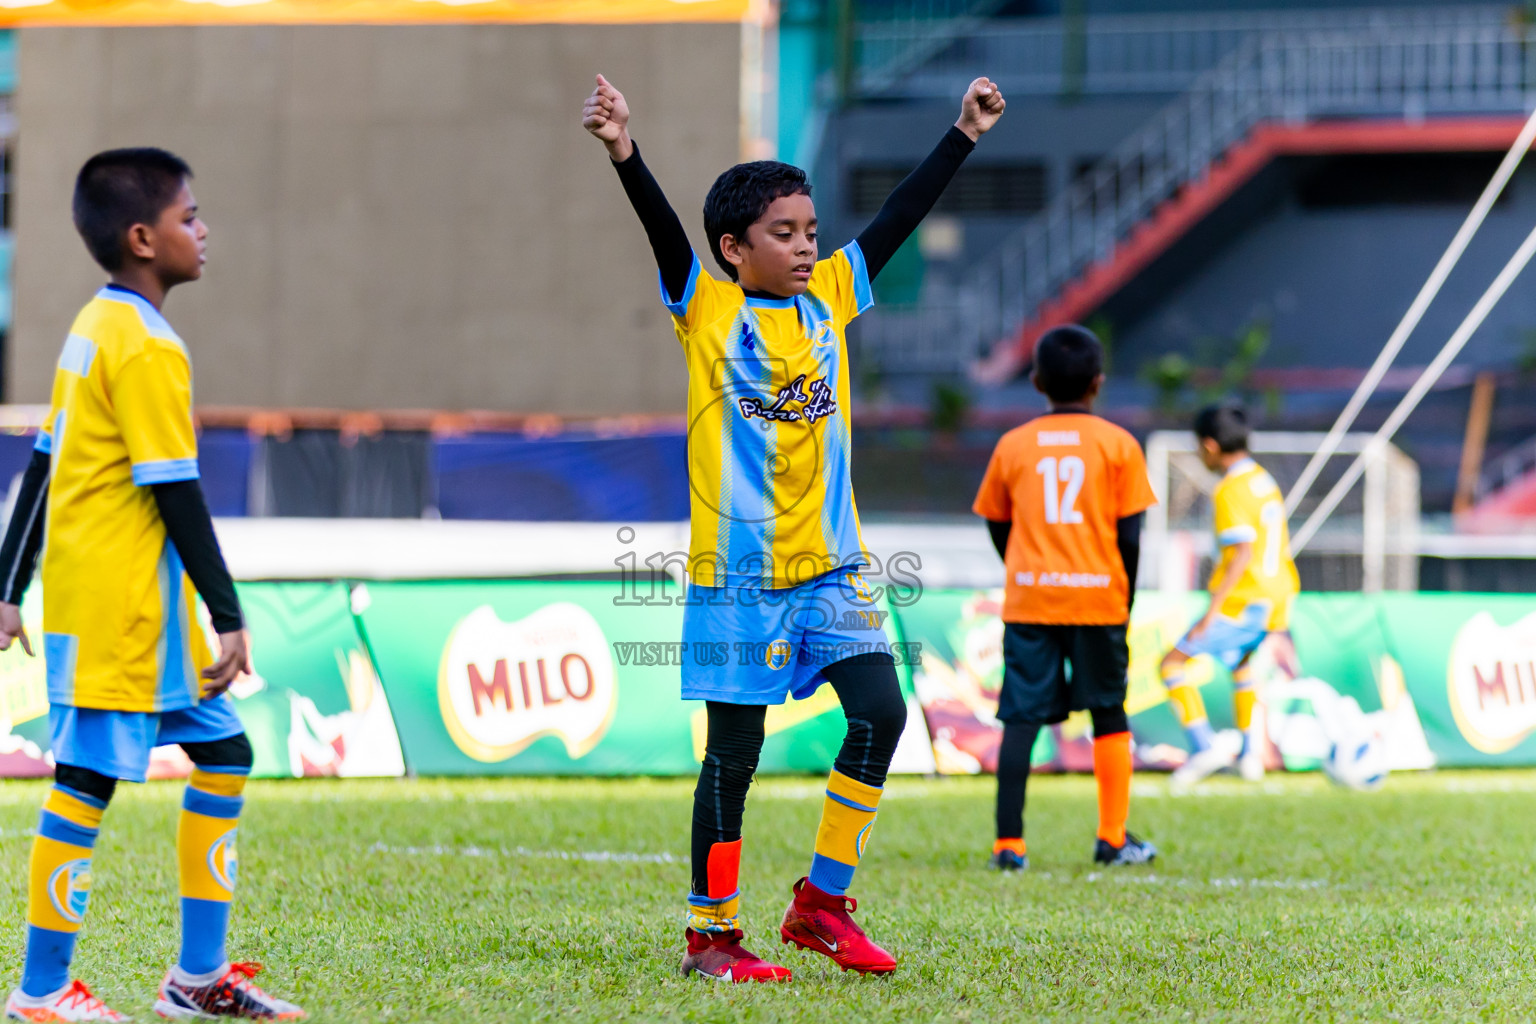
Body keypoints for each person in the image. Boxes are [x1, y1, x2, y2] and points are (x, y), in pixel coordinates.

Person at [583, 72, 1004, 981]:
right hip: (737, 576)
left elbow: (894, 220)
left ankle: (821, 903)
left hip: (834, 573)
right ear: (734, 249)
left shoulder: (832, 300)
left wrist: (961, 135)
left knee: (882, 714)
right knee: (735, 752)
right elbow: (662, 231)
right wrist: (626, 150)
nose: (809, 246)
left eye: (812, 230)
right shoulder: (707, 308)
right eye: (786, 233)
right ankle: (710, 936)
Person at [0, 149, 304, 1022]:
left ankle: (195, 981)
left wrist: (9, 584)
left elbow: (45, 462)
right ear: (144, 238)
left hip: (145, 616)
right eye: (189, 217)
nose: (202, 231)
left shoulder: (93, 324)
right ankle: (42, 992)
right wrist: (231, 612)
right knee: (86, 781)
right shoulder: (145, 345)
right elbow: (177, 490)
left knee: (226, 753)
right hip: (114, 610)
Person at [972, 325, 1158, 871]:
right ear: (1098, 383)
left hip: (1031, 601)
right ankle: (1112, 837)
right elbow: (1130, 535)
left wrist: (1023, 566)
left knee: (1021, 717)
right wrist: (1123, 593)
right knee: (1108, 711)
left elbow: (996, 522)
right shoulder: (1119, 444)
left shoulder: (1014, 444)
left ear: (1035, 381)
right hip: (1099, 599)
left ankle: (1009, 845)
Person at [1161, 403, 1301, 786]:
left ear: (1209, 446)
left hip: (1245, 599)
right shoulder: (1263, 480)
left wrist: (1213, 609)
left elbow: (1242, 552)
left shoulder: (1230, 490)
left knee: (1172, 664)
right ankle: (1250, 754)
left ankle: (1204, 745)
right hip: (1279, 594)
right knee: (1242, 665)